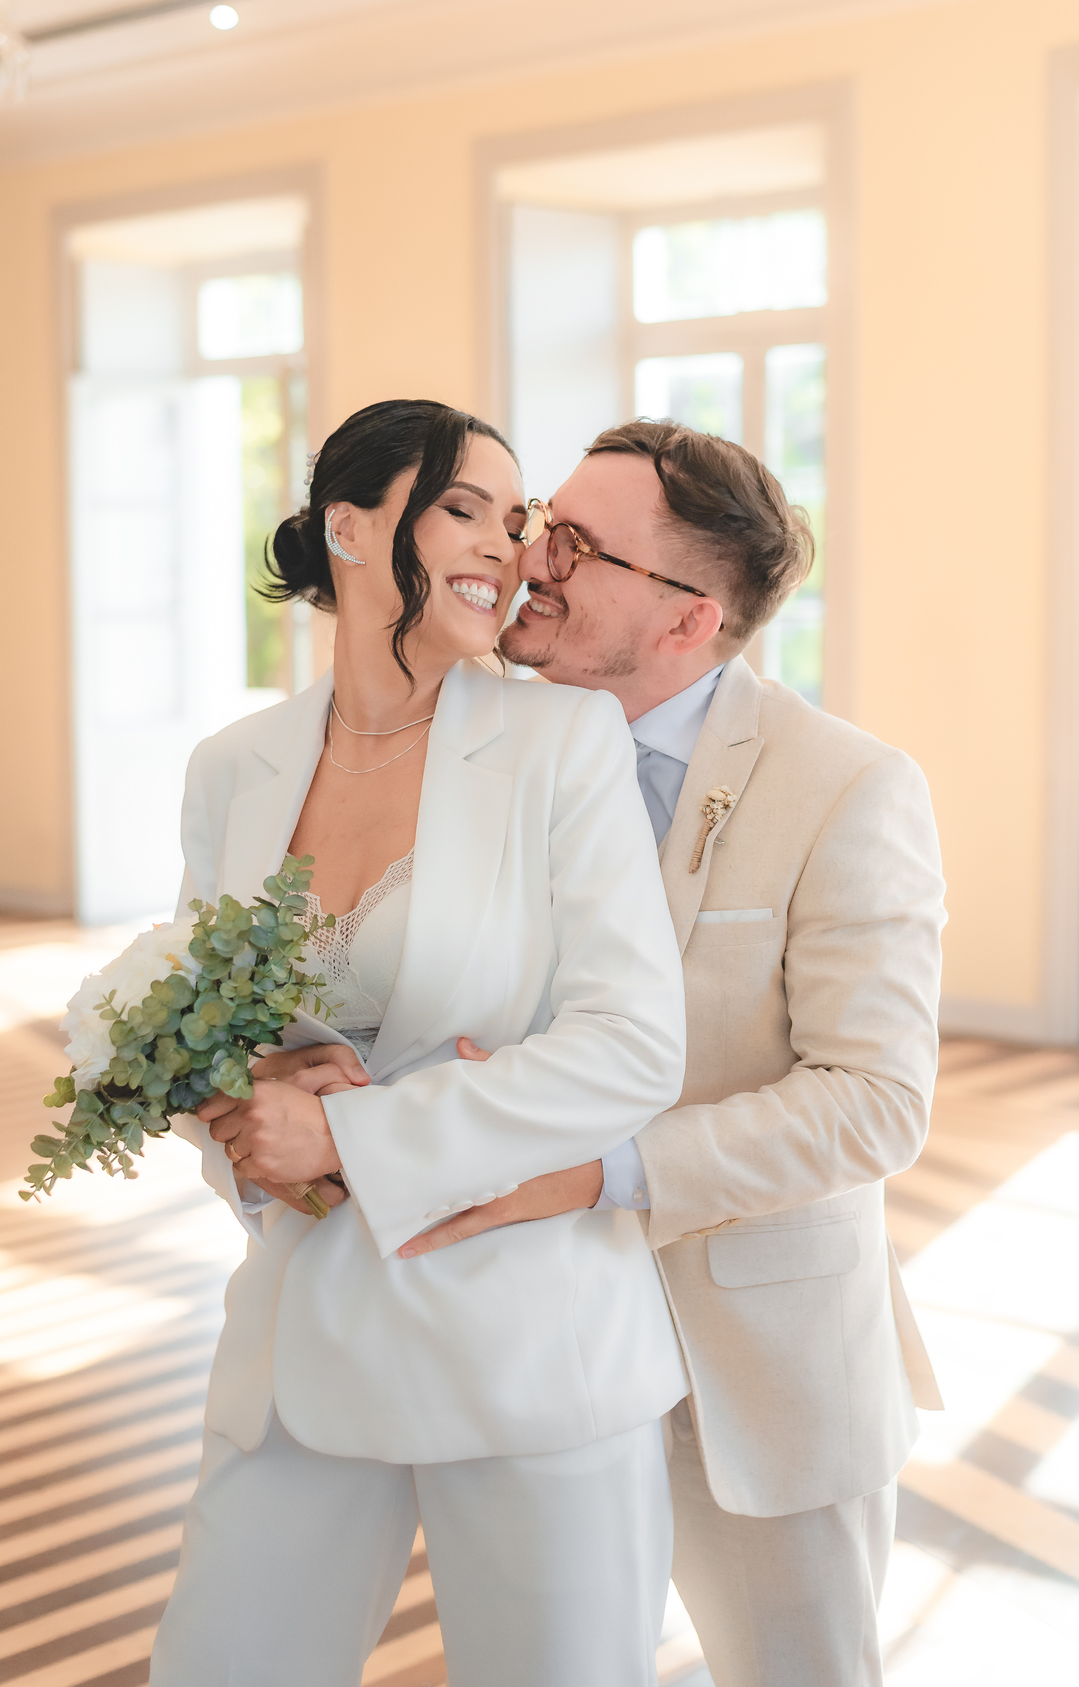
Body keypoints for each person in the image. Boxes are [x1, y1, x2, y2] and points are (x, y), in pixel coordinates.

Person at [394, 420, 947, 1686]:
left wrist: (601, 1170)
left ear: (688, 621)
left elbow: (871, 1104)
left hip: (754, 1375)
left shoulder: (848, 787)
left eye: (579, 545)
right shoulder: (470, 745)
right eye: (542, 520)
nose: (531, 556)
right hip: (526, 1345)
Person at [149, 400, 690, 1687]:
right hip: (299, 1332)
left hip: (526, 1342)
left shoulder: (563, 746)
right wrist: (244, 1114)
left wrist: (346, 1128)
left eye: (518, 521)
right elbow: (183, 1026)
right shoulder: (235, 768)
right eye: (464, 507)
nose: (506, 547)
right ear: (350, 525)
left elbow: (631, 1045)